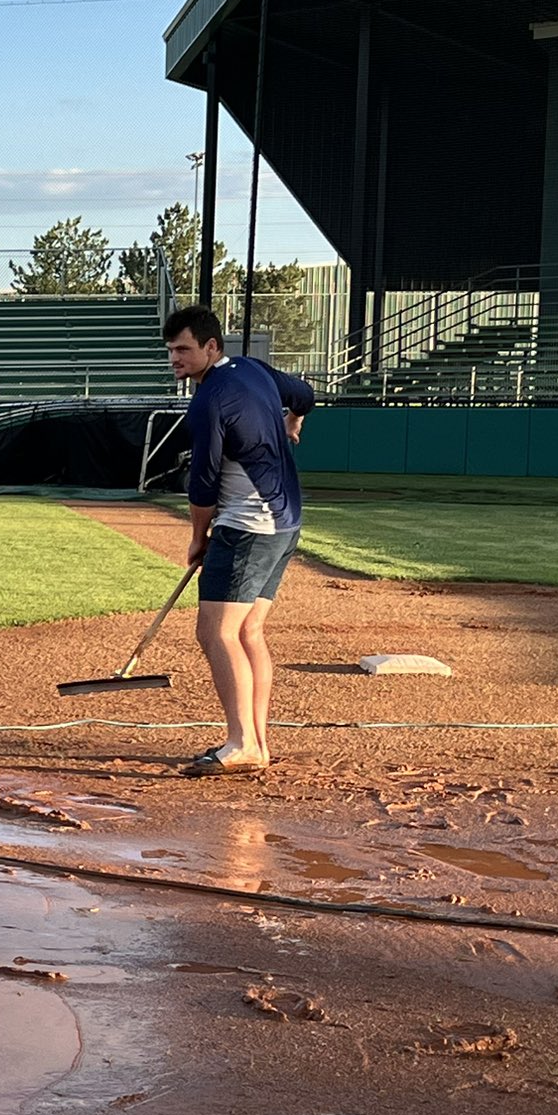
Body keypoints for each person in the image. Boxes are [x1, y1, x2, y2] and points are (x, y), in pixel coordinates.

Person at [162, 305, 312, 776]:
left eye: (184, 349)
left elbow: (203, 484)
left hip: (248, 525)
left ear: (211, 347)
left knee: (216, 632)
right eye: (170, 351)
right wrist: (293, 420)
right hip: (286, 522)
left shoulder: (208, 401)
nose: (175, 359)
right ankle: (256, 743)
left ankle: (243, 743)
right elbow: (304, 394)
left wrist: (197, 537)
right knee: (248, 632)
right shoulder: (252, 368)